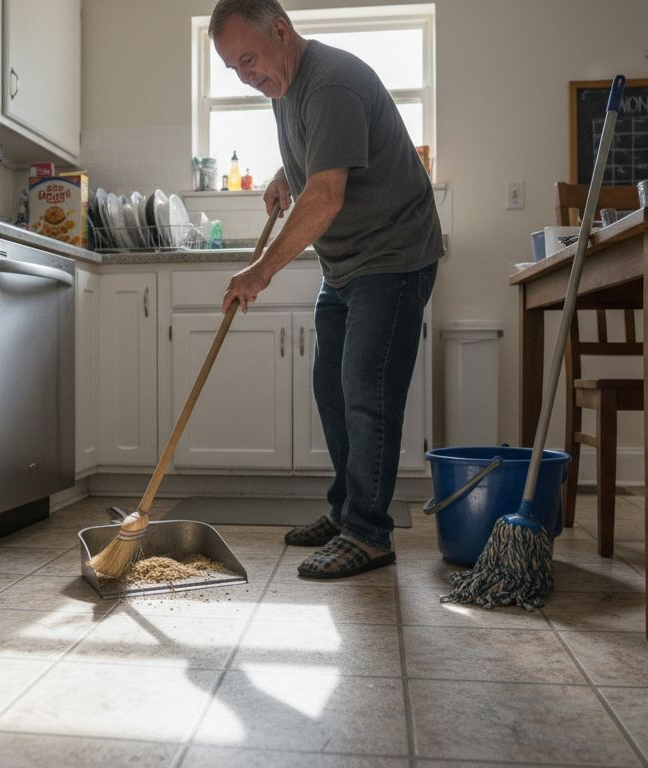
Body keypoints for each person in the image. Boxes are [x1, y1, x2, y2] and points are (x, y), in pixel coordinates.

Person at [210, 0, 444, 579]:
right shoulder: (285, 88)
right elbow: (323, 160)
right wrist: (287, 172)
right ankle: (346, 514)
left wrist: (260, 269)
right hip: (347, 264)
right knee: (332, 388)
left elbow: (327, 197)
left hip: (392, 257)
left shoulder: (331, 81)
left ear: (281, 32)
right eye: (232, 68)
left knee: (367, 391)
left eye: (248, 59)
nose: (245, 76)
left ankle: (368, 533)